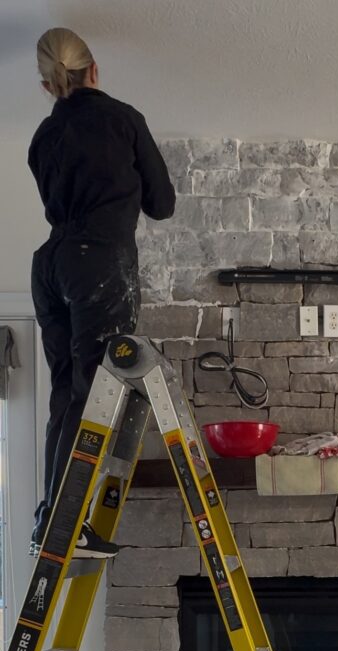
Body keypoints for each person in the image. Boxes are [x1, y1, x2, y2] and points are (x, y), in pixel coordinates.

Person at [28, 27, 175, 557]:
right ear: (94, 71)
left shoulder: (42, 139)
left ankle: (52, 518)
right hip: (98, 263)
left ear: (49, 86)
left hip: (50, 267)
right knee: (94, 395)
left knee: (67, 393)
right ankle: (66, 526)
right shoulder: (122, 119)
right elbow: (162, 204)